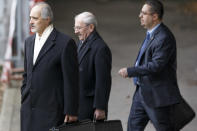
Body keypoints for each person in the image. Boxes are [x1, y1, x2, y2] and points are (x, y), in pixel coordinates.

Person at [118, 0, 182, 130]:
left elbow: (156, 65)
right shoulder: (152, 33)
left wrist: (131, 71)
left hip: (157, 95)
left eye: (143, 13)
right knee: (133, 127)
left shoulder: (164, 37)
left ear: (154, 16)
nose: (139, 16)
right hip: (141, 91)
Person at [20, 2, 79, 131]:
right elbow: (27, 74)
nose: (31, 22)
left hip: (52, 113)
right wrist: (24, 96)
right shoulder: (28, 42)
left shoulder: (65, 43)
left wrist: (71, 111)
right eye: (30, 18)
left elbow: (71, 80)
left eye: (35, 18)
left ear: (47, 19)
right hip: (28, 112)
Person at [74, 12, 112, 121]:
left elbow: (103, 81)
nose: (75, 31)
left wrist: (100, 108)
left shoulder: (100, 49)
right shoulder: (81, 43)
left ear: (91, 27)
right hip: (79, 103)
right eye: (75, 27)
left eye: (78, 28)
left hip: (89, 106)